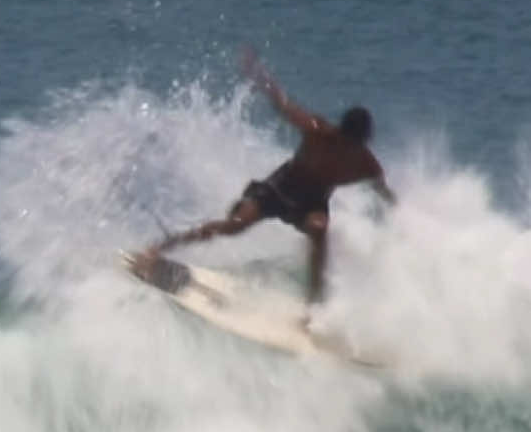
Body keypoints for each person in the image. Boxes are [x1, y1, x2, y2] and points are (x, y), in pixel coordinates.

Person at [137, 49, 397, 303]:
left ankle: (313, 308)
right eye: (345, 141)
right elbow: (282, 104)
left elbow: (383, 191)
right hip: (279, 187)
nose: (347, 148)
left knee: (319, 230)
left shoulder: (366, 165)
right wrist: (259, 75)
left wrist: (396, 216)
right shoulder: (317, 131)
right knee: (235, 225)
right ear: (340, 131)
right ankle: (158, 249)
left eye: (354, 145)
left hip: (313, 202)